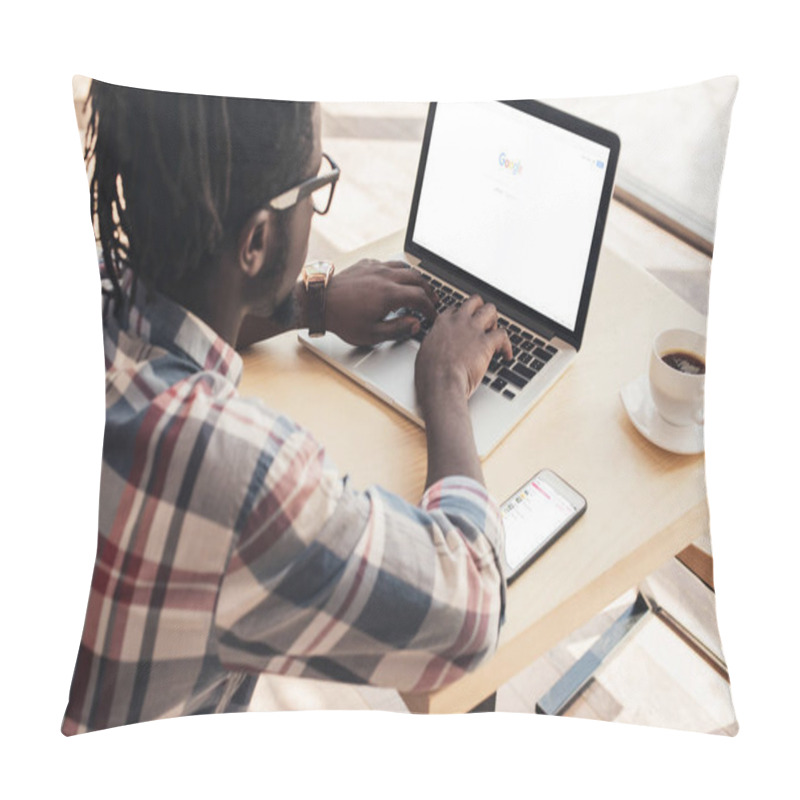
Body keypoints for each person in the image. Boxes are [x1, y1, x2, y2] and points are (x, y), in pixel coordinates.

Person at [62, 80, 513, 735]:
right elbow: (469, 611)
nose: (315, 207)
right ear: (257, 241)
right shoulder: (237, 474)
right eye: (313, 189)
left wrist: (312, 301)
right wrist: (444, 384)